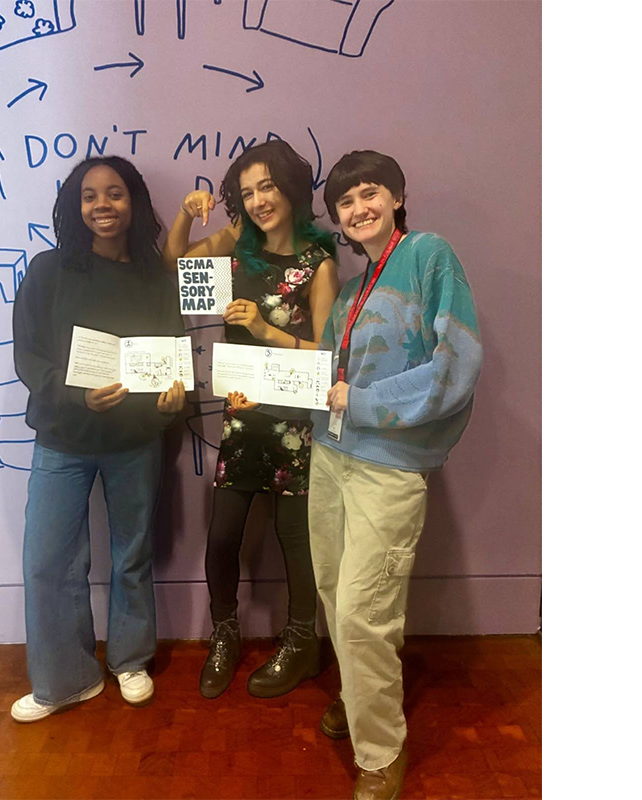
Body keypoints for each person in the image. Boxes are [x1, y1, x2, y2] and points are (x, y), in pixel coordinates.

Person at [310, 151, 483, 800]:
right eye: (345, 202)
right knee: (334, 594)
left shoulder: (429, 256)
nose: (359, 209)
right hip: (330, 457)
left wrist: (363, 402)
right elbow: (326, 377)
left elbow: (455, 363)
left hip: (388, 469)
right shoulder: (352, 291)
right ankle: (361, 699)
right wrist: (267, 390)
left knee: (364, 612)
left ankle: (381, 752)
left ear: (398, 196)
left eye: (369, 193)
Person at [9, 156, 187, 722]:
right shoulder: (48, 270)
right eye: (89, 195)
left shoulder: (154, 277)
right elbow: (27, 355)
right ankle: (65, 679)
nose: (102, 205)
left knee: (132, 553)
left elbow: (172, 350)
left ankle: (130, 659)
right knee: (48, 560)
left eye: (115, 193)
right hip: (63, 437)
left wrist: (173, 397)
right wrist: (73, 394)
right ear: (75, 205)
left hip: (136, 439)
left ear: (134, 202)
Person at [162, 140, 341, 699]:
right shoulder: (236, 244)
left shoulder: (319, 265)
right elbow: (175, 265)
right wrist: (184, 214)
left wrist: (265, 330)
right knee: (222, 537)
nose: (259, 200)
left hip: (295, 420)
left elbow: (326, 355)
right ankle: (224, 633)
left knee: (296, 540)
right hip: (242, 417)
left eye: (267, 186)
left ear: (290, 188)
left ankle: (302, 643)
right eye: (247, 192)